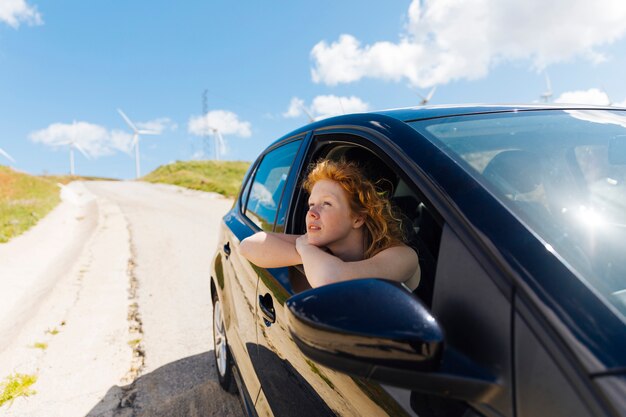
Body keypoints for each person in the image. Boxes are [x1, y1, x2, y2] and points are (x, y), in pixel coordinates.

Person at [240, 158, 421, 290]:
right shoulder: (320, 244)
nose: (311, 213)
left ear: (358, 218)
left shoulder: (403, 256)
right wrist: (306, 252)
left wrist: (306, 250)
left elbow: (331, 279)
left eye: (326, 204)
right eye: (311, 204)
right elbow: (249, 245)